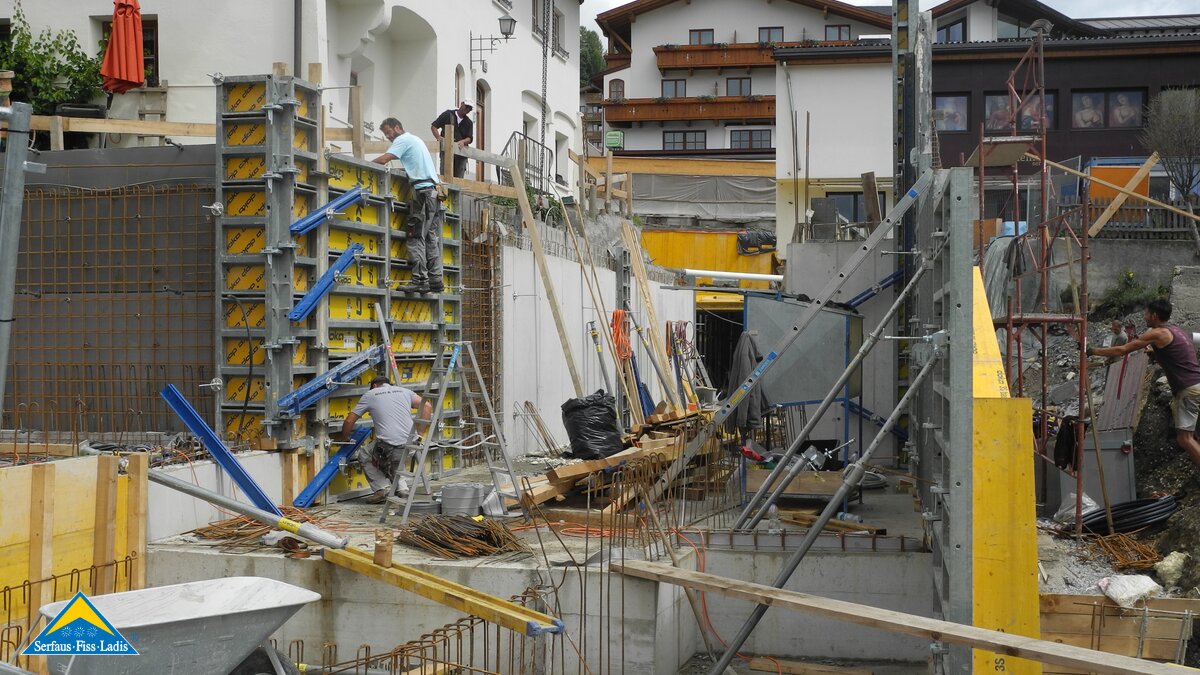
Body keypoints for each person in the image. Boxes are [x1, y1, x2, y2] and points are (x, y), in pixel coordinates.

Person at [1088, 298, 1200, 468]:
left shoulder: (1157, 333)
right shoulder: (1176, 330)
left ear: (1154, 315)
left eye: (1147, 313)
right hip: (1195, 384)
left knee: (1185, 438)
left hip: (1188, 389)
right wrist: (1154, 353)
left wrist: (1091, 351)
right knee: (1187, 437)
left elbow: (1122, 350)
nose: (1144, 316)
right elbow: (1174, 354)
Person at [373, 118, 445, 293]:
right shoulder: (415, 139)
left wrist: (364, 164)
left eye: (389, 132)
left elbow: (384, 159)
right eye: (386, 134)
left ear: (398, 127)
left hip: (423, 193)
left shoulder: (403, 140)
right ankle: (435, 280)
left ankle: (420, 280)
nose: (389, 136)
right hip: (434, 193)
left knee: (415, 236)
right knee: (429, 237)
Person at [341, 375, 432, 504]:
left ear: (374, 386)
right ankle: (402, 489)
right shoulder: (404, 391)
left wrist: (345, 438)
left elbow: (350, 420)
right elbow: (427, 406)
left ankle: (382, 489)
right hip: (412, 444)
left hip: (391, 447)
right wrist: (420, 434)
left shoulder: (370, 394)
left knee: (365, 455)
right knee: (396, 461)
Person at [431, 100, 474, 178]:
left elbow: (470, 138)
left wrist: (463, 141)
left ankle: (455, 190)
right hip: (446, 151)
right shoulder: (448, 114)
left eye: (470, 108)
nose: (467, 109)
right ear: (461, 104)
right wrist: (439, 138)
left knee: (458, 179)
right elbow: (434, 126)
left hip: (460, 154)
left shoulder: (468, 122)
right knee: (445, 175)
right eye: (466, 106)